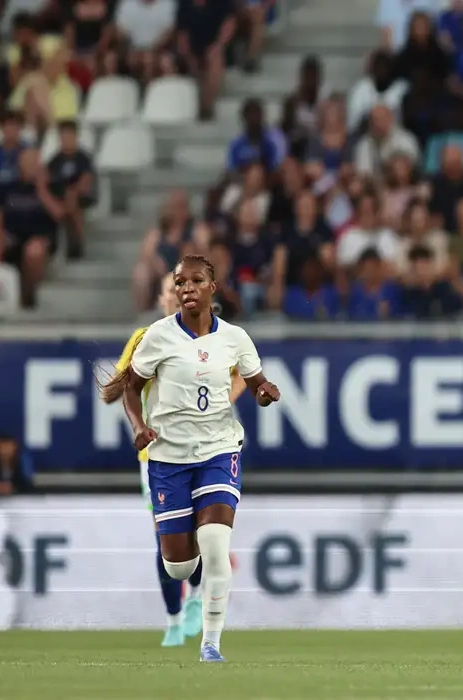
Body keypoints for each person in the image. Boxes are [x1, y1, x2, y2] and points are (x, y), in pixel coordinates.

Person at [101, 255, 281, 662]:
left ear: (212, 288)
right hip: (166, 457)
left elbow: (255, 381)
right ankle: (187, 569)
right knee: (178, 566)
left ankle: (211, 644)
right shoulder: (155, 338)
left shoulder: (235, 338)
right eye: (179, 282)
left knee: (216, 545)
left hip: (219, 450)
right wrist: (139, 427)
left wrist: (265, 391)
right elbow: (128, 388)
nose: (185, 288)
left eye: (194, 281)